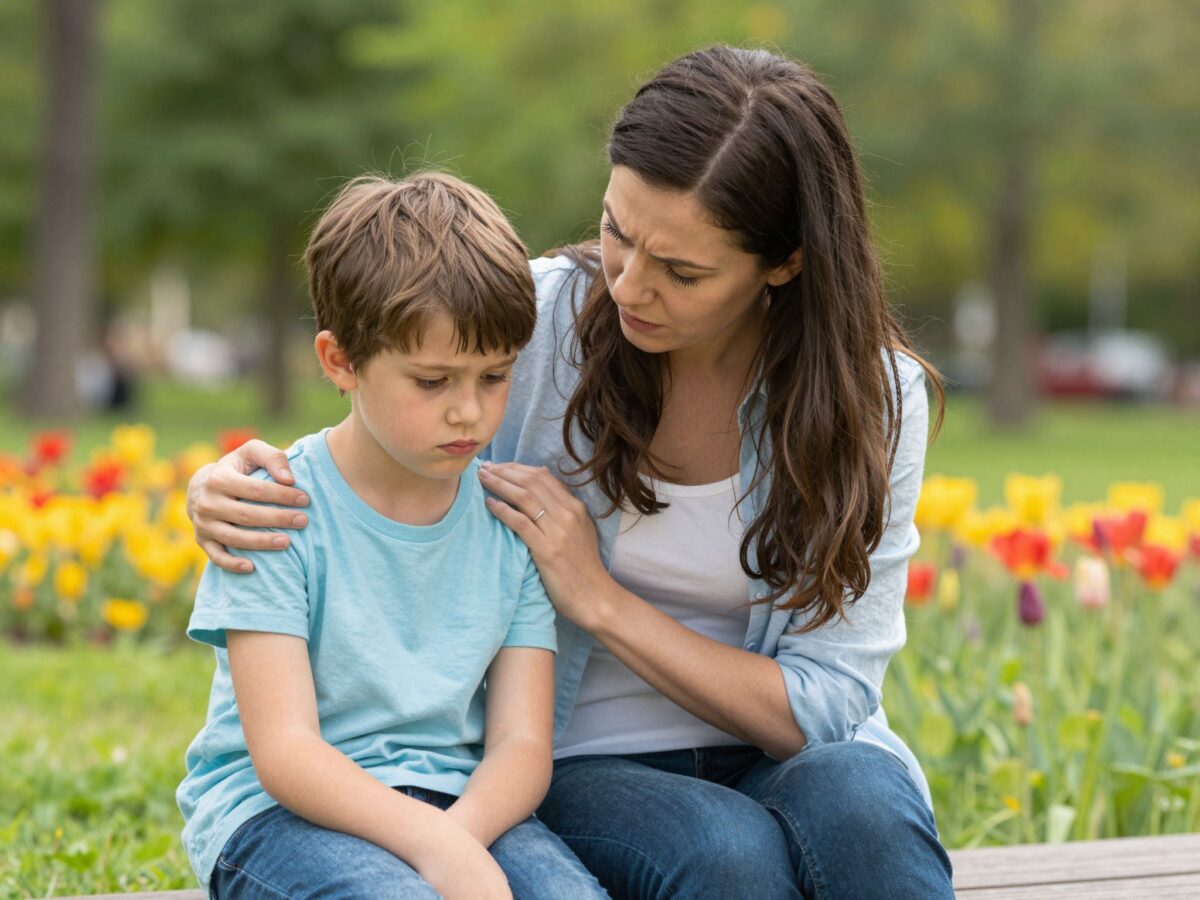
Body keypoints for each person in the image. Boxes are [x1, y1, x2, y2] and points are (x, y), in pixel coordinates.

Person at [187, 46, 955, 899]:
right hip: (582, 755)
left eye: (682, 271)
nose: (628, 285)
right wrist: (223, 485)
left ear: (783, 263)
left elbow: (828, 705)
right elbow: (393, 392)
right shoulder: (542, 320)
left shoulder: (875, 398)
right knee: (723, 852)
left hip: (781, 749)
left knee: (868, 802)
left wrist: (598, 598)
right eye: (617, 231)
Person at [176, 172, 607, 900]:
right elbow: (285, 752)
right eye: (432, 382)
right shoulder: (272, 512)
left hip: (465, 803)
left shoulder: (509, 524)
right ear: (340, 361)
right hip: (281, 815)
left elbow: (521, 744)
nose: (468, 412)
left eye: (495, 376)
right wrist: (433, 850)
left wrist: (458, 841)